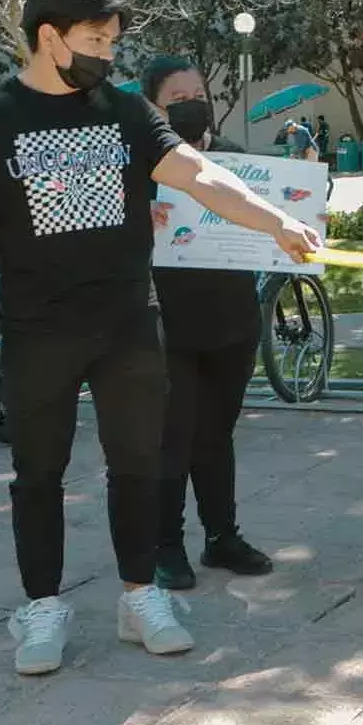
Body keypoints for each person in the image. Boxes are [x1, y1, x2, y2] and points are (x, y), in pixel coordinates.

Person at [0, 0, 320, 676]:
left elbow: (199, 176)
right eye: (94, 41)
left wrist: (276, 222)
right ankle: (42, 605)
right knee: (38, 472)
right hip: (37, 327)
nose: (106, 55)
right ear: (48, 36)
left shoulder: (123, 110)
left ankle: (139, 595)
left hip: (128, 324)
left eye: (113, 42)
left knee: (139, 464)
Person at [140, 57, 275, 590]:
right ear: (154, 106)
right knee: (172, 436)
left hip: (231, 318)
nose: (192, 103)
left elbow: (271, 221)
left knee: (216, 435)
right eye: (177, 98)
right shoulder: (140, 167)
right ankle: (165, 545)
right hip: (166, 323)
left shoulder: (236, 164)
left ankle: (222, 537)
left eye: (198, 93)